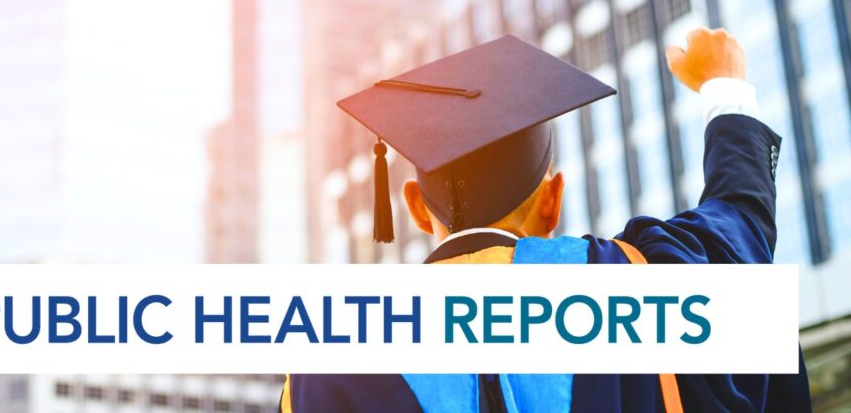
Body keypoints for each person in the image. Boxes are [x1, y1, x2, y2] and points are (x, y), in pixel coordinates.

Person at [280, 28, 812, 412]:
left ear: (416, 206)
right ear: (552, 200)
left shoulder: (327, 359)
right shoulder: (637, 280)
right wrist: (726, 88)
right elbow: (739, 225)